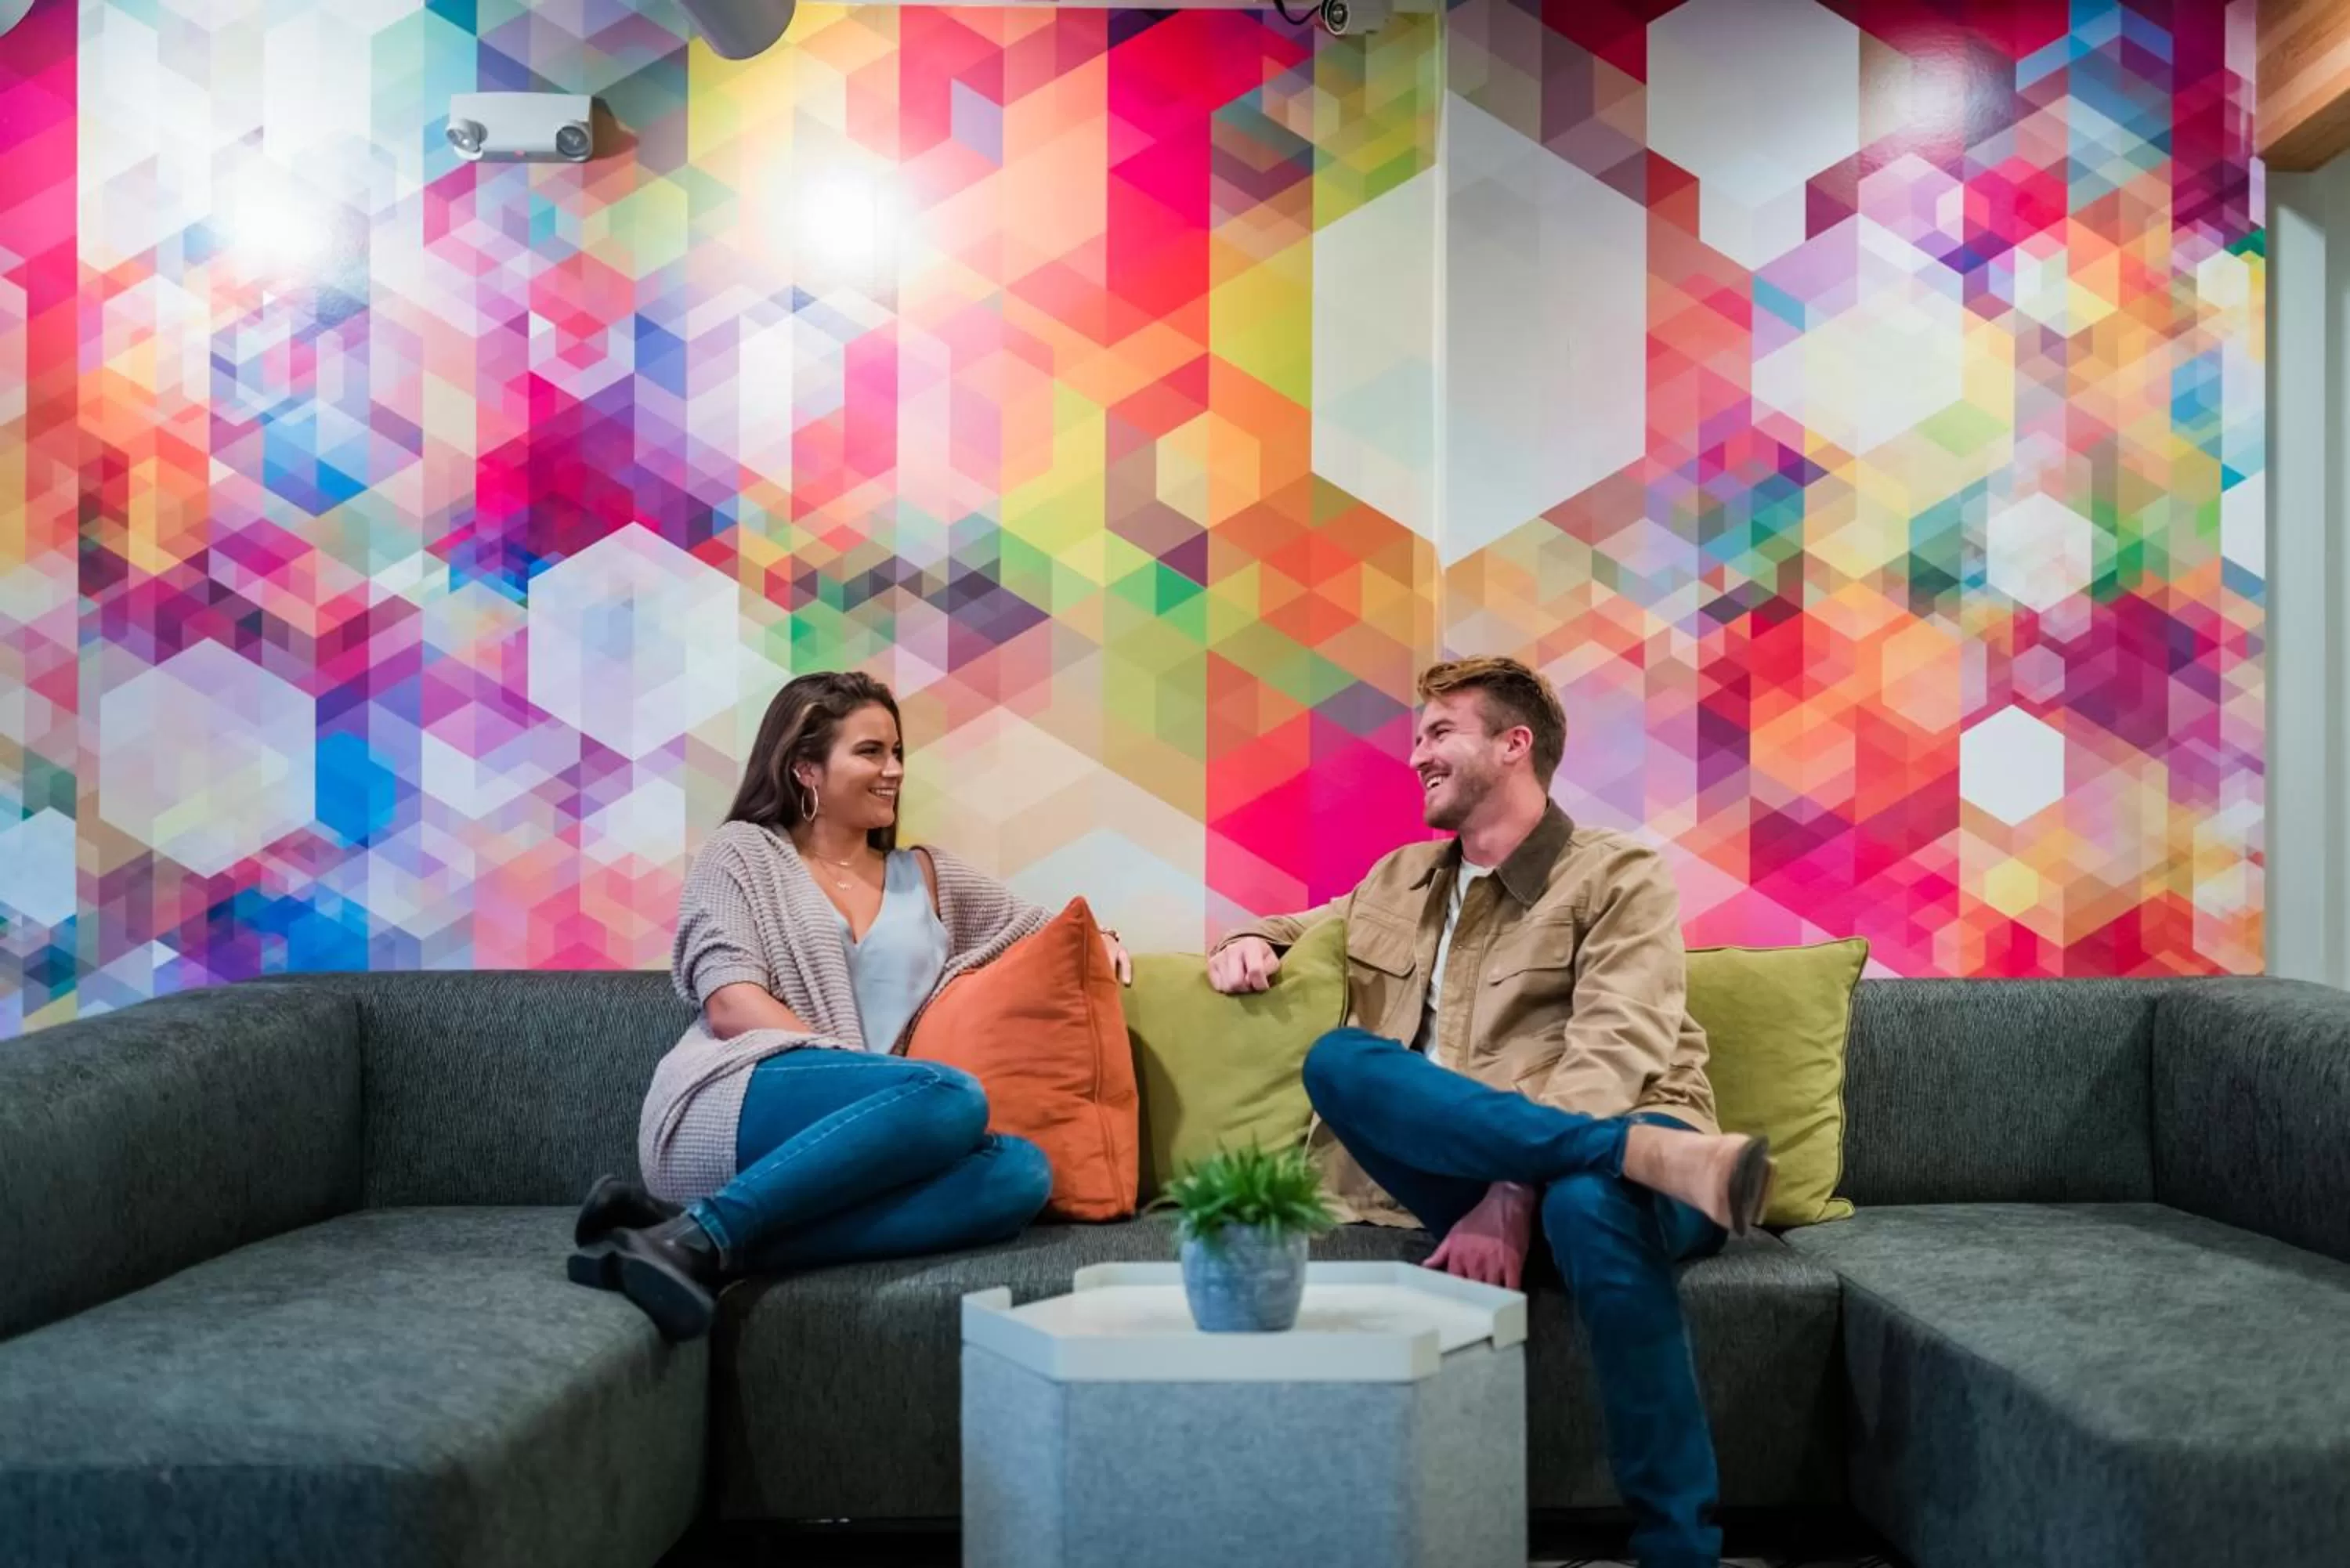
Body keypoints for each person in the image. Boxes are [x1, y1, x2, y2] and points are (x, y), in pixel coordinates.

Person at [1206, 656, 1767, 1568]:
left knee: (1590, 1205)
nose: (1416, 754)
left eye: (1438, 732)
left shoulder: (1617, 875)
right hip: (1554, 1163)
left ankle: (1678, 1551)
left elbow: (1615, 1050)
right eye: (1417, 736)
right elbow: (1306, 924)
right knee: (1342, 1060)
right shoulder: (1399, 878)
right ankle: (1627, 1156)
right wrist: (1245, 941)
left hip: (1632, 1127)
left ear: (1514, 745)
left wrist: (1513, 1190)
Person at [571, 670, 1132, 1342]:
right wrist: (876, 1086)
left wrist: (1102, 940)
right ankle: (697, 1230)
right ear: (806, 768)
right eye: (870, 752)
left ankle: (688, 1239)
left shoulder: (927, 876)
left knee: (1021, 1174)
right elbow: (730, 1002)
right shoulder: (744, 853)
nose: (893, 770)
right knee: (951, 1097)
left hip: (871, 1133)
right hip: (736, 1094)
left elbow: (1042, 931)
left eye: (898, 753)